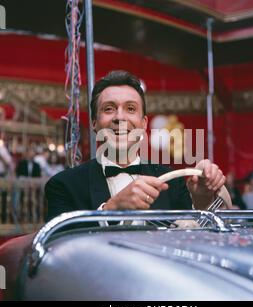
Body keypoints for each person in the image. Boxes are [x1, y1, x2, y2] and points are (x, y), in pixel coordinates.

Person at [45, 70, 226, 222]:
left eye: (130, 109)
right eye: (109, 109)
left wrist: (202, 198)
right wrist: (110, 210)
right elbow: (60, 249)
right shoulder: (63, 186)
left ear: (144, 123)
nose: (120, 118)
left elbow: (192, 238)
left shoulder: (173, 183)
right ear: (95, 123)